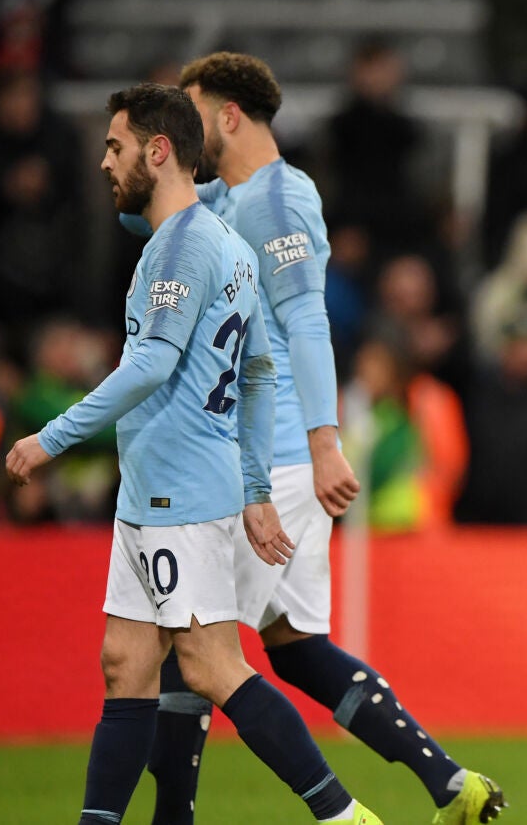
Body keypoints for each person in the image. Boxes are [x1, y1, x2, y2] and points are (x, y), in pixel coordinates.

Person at [117, 52, 502, 825]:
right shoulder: (228, 196)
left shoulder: (278, 200)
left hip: (274, 460)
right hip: (266, 454)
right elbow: (136, 212)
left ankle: (282, 815)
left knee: (193, 647)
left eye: (193, 114)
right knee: (294, 646)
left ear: (229, 116)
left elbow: (306, 322)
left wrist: (326, 444)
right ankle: (451, 785)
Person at [5, 83, 381, 825]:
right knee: (125, 666)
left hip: (178, 495)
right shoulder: (224, 244)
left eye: (115, 147)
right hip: (153, 492)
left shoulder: (182, 247)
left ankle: (343, 816)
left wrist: (51, 437)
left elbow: (151, 364)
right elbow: (261, 371)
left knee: (213, 667)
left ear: (157, 151)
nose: (104, 163)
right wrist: (255, 489)